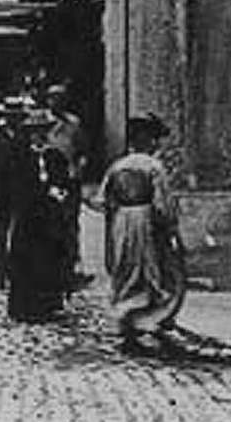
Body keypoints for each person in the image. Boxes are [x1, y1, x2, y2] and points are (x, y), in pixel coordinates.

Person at [99, 114, 185, 351]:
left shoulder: (118, 166)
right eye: (154, 139)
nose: (156, 145)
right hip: (145, 222)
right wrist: (169, 227)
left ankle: (127, 323)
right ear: (148, 141)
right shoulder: (153, 167)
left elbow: (106, 200)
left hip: (122, 221)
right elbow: (162, 204)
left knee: (127, 270)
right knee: (152, 270)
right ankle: (151, 320)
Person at [6, 108, 74, 323]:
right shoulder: (20, 157)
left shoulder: (55, 156)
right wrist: (42, 191)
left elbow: (64, 181)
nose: (39, 136)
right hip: (28, 216)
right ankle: (25, 305)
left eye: (42, 131)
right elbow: (15, 187)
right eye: (34, 132)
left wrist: (61, 192)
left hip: (49, 216)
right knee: (26, 259)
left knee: (49, 257)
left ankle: (48, 303)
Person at [43, 83, 92, 291]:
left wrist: (80, 166)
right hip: (48, 178)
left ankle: (71, 264)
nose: (58, 102)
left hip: (70, 179)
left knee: (71, 222)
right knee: (49, 221)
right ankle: (50, 266)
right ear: (48, 100)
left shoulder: (73, 123)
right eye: (54, 98)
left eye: (62, 99)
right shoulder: (41, 122)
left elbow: (83, 150)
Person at [0, 96, 32, 290]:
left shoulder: (26, 135)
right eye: (10, 116)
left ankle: (18, 272)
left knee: (21, 232)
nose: (13, 119)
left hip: (20, 191)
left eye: (17, 116)